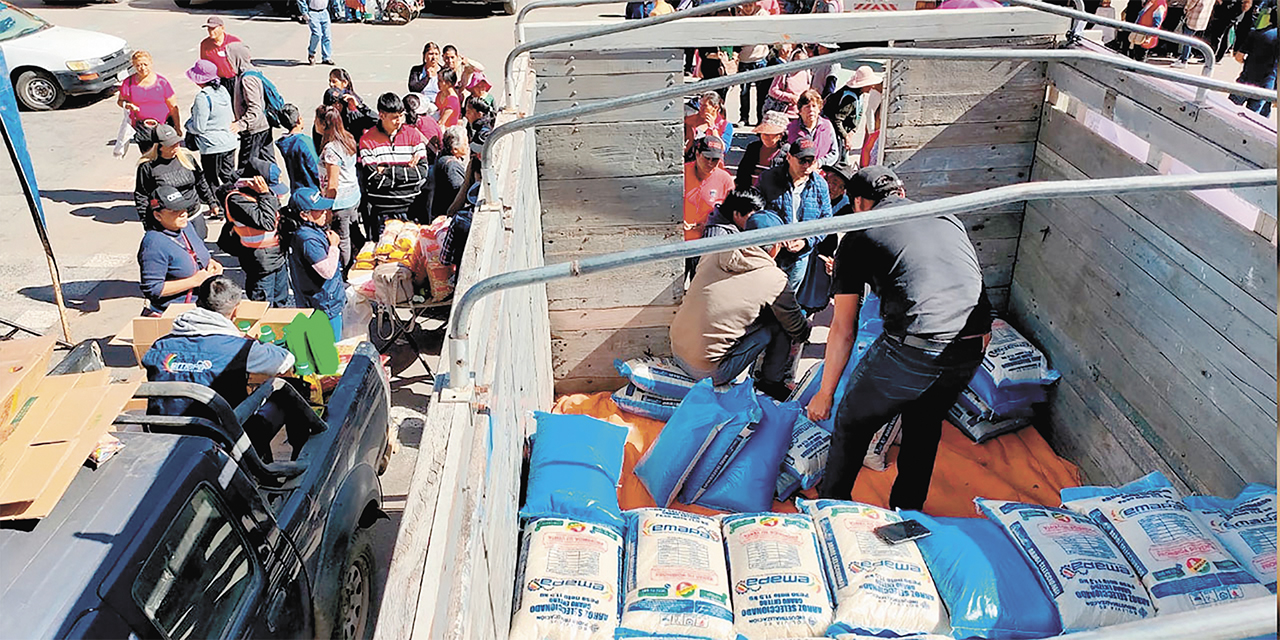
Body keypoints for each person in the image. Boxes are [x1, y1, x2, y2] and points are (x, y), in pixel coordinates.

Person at [807, 166, 992, 510]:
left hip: (917, 347)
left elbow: (843, 329)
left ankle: (831, 509)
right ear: (901, 193)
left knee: (853, 422)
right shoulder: (946, 217)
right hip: (974, 343)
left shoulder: (860, 235)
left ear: (859, 203)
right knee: (924, 423)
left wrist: (825, 394)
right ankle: (907, 512)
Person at [670, 211, 812, 401]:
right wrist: (806, 328)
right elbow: (797, 329)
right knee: (779, 324)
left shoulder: (715, 251)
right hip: (707, 371)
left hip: (676, 347)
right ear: (775, 247)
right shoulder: (773, 279)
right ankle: (770, 383)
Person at [141, 276, 294, 417]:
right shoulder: (240, 349)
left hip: (163, 429)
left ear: (197, 304)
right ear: (235, 310)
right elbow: (285, 361)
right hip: (220, 433)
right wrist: (246, 339)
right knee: (286, 391)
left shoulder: (160, 345)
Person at [756, 137, 832, 293]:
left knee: (788, 299)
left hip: (801, 255)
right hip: (772, 252)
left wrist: (806, 241)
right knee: (764, 295)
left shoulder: (819, 185)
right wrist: (776, 237)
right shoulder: (768, 179)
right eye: (802, 160)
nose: (806, 165)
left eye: (810, 161)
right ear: (789, 157)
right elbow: (757, 213)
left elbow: (826, 220)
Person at [138, 185, 222, 316]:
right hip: (176, 315)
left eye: (184, 207)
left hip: (202, 307)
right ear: (158, 215)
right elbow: (153, 289)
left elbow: (194, 254)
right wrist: (194, 281)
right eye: (174, 211)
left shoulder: (185, 226)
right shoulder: (153, 244)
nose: (183, 213)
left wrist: (210, 263)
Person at [359, 92, 429, 233]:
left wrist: (386, 170)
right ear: (382, 115)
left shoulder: (413, 135)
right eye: (395, 118)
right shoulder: (367, 140)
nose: (399, 121)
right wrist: (406, 171)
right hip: (382, 211)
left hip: (411, 208)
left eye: (401, 116)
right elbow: (374, 180)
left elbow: (422, 172)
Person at [134, 124, 218, 236]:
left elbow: (200, 181)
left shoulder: (187, 158)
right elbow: (142, 195)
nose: (176, 147)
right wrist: (147, 223)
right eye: (171, 145)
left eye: (177, 143)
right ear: (159, 146)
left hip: (193, 213)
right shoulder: (148, 166)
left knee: (199, 247)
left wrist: (212, 203)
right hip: (169, 220)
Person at [223, 172, 290, 306]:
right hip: (260, 263)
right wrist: (265, 194)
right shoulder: (238, 201)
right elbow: (267, 223)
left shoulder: (264, 197)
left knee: (281, 301)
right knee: (262, 304)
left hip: (277, 257)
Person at [289, 187, 346, 337]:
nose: (325, 212)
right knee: (330, 347)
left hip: (318, 300)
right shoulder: (308, 240)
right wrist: (334, 246)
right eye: (319, 210)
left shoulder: (308, 230)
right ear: (304, 215)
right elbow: (327, 272)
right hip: (323, 304)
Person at [316, 107, 362, 268]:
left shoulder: (331, 150)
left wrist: (327, 208)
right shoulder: (347, 138)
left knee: (342, 239)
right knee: (353, 232)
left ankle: (345, 270)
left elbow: (333, 183)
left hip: (340, 202)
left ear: (323, 124)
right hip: (353, 195)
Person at [184, 59, 238, 193]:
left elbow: (199, 127)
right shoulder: (223, 90)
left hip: (211, 146)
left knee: (212, 180)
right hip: (229, 142)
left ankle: (217, 208)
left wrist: (187, 125)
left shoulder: (202, 97)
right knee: (229, 178)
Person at [118, 51, 181, 155]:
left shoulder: (162, 82)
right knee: (148, 158)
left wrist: (177, 128)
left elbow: (173, 107)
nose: (142, 68)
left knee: (165, 156)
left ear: (151, 63)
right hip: (143, 129)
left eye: (145, 64)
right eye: (138, 65)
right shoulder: (128, 83)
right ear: (133, 66)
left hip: (163, 127)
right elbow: (120, 101)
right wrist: (126, 105)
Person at [226, 42, 275, 174]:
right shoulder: (248, 72)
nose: (228, 61)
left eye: (229, 57)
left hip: (254, 130)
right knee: (268, 167)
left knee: (245, 170)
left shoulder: (248, 79)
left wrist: (241, 124)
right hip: (261, 127)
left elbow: (255, 108)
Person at [683, 136, 735, 242]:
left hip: (709, 241)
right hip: (679, 240)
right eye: (707, 158)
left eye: (715, 159)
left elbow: (731, 214)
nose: (710, 163)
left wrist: (709, 224)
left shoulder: (725, 180)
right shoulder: (682, 174)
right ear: (697, 154)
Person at [1230, 7, 1277, 116]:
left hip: (1246, 79)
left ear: (1270, 18)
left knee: (1230, 110)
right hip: (1266, 85)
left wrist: (1249, 62)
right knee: (1252, 118)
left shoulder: (1255, 34)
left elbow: (1238, 57)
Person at [735, 2, 772, 125]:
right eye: (745, 6)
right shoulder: (739, 18)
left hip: (760, 58)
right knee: (744, 92)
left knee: (761, 93)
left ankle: (759, 118)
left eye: (750, 5)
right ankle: (744, 117)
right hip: (745, 59)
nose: (748, 8)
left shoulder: (762, 14)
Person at [735, 110, 788, 190]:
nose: (766, 137)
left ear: (780, 135)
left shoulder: (787, 152)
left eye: (770, 134)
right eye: (764, 133)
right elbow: (742, 174)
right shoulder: (753, 148)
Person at [276, 104, 323, 194]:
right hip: (312, 190)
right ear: (299, 120)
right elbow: (315, 167)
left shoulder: (284, 143)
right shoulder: (304, 142)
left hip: (297, 189)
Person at [785, 89, 839, 166]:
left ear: (819, 109)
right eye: (807, 107)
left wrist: (819, 163)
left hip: (821, 171)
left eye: (814, 106)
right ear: (800, 111)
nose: (811, 110)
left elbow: (834, 153)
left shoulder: (827, 126)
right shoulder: (791, 128)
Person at [431, 126, 470, 220]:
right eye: (465, 144)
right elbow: (458, 190)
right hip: (446, 214)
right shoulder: (452, 166)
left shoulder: (443, 157)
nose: (468, 146)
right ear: (455, 149)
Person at [765, 45, 812, 119]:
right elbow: (772, 91)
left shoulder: (807, 74)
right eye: (797, 61)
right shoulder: (784, 73)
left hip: (800, 115)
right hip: (783, 114)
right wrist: (790, 97)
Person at [702, 187, 766, 238]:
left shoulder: (740, 227)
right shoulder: (718, 234)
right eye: (752, 216)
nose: (756, 219)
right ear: (736, 214)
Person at [199, 17, 242, 91]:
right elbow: (204, 65)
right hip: (217, 81)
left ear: (222, 28)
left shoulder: (234, 42)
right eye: (209, 28)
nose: (210, 31)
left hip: (235, 80)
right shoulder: (205, 44)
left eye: (213, 28)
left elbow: (243, 61)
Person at [683, 91, 727, 158]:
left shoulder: (724, 125)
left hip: (710, 162)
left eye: (705, 106)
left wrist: (713, 129)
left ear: (715, 107)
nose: (701, 108)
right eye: (700, 105)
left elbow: (723, 149)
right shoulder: (689, 120)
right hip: (689, 161)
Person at [1175, 0, 1218, 67]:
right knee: (1191, 38)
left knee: (1187, 39)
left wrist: (1186, 8)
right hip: (1203, 16)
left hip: (1194, 15)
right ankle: (1186, 56)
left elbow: (1192, 2)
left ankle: (1184, 60)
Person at [299, 0, 334, 65]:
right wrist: (304, 12)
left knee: (327, 36)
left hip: (324, 11)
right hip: (313, 12)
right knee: (317, 34)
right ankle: (311, 53)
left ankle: (326, 57)